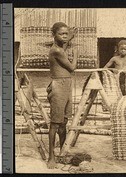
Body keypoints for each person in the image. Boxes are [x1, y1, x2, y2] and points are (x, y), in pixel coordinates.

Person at [46, 22, 78, 169]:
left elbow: (64, 46)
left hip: (66, 85)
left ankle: (62, 153)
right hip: (58, 86)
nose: (65, 36)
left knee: (64, 121)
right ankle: (51, 157)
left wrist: (69, 38)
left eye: (66, 34)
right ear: (54, 35)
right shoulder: (56, 51)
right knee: (55, 123)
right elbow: (71, 68)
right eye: (61, 34)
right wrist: (76, 55)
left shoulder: (60, 48)